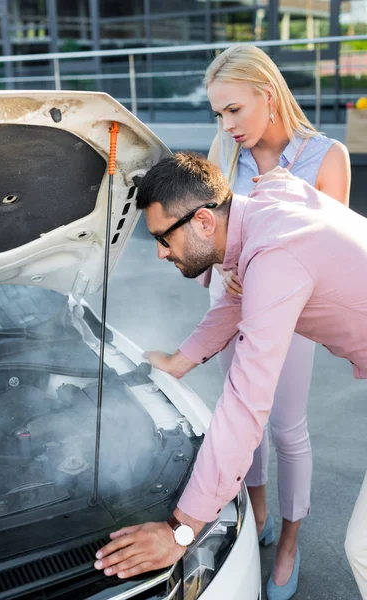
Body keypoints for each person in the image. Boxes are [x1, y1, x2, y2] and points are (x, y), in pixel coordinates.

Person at [93, 153, 367, 600]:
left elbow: (245, 407)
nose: (161, 253)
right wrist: (181, 360)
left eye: (163, 238)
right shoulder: (265, 201)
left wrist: (181, 530)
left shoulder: (275, 256)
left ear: (203, 220)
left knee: (363, 548)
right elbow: (239, 293)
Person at [202, 44, 350, 598]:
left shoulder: (326, 156)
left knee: (287, 428)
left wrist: (263, 270)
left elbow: (334, 255)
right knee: (243, 420)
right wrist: (227, 266)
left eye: (234, 109)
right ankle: (258, 509)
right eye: (218, 112)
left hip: (293, 317)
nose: (227, 123)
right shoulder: (224, 155)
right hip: (232, 306)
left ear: (267, 96)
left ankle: (289, 542)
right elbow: (212, 238)